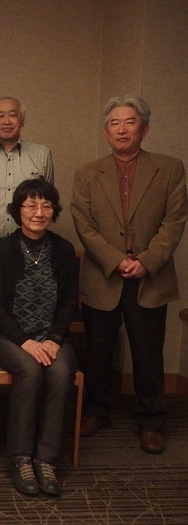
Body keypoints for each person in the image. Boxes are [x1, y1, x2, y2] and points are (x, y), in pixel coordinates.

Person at [71, 95, 187, 454]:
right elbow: (84, 225)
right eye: (114, 123)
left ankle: (151, 421)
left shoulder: (169, 169)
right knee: (98, 352)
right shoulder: (87, 173)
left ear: (144, 128)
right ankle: (97, 410)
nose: (122, 129)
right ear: (106, 131)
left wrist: (146, 260)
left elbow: (174, 222)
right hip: (103, 275)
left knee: (148, 354)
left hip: (149, 277)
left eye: (130, 122)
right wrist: (116, 260)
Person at [0, 179, 78, 497]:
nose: (39, 212)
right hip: (6, 338)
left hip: (52, 337)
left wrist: (54, 338)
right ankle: (21, 458)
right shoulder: (2, 250)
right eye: (31, 205)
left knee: (61, 372)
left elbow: (69, 301)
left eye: (46, 206)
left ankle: (46, 459)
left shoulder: (63, 250)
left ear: (54, 211)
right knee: (30, 369)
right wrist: (25, 342)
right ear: (18, 211)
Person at [0, 97, 53, 273]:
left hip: (30, 242)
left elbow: (48, 201)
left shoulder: (42, 155)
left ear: (22, 120)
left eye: (12, 115)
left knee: (28, 289)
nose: (6, 121)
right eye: (0, 116)